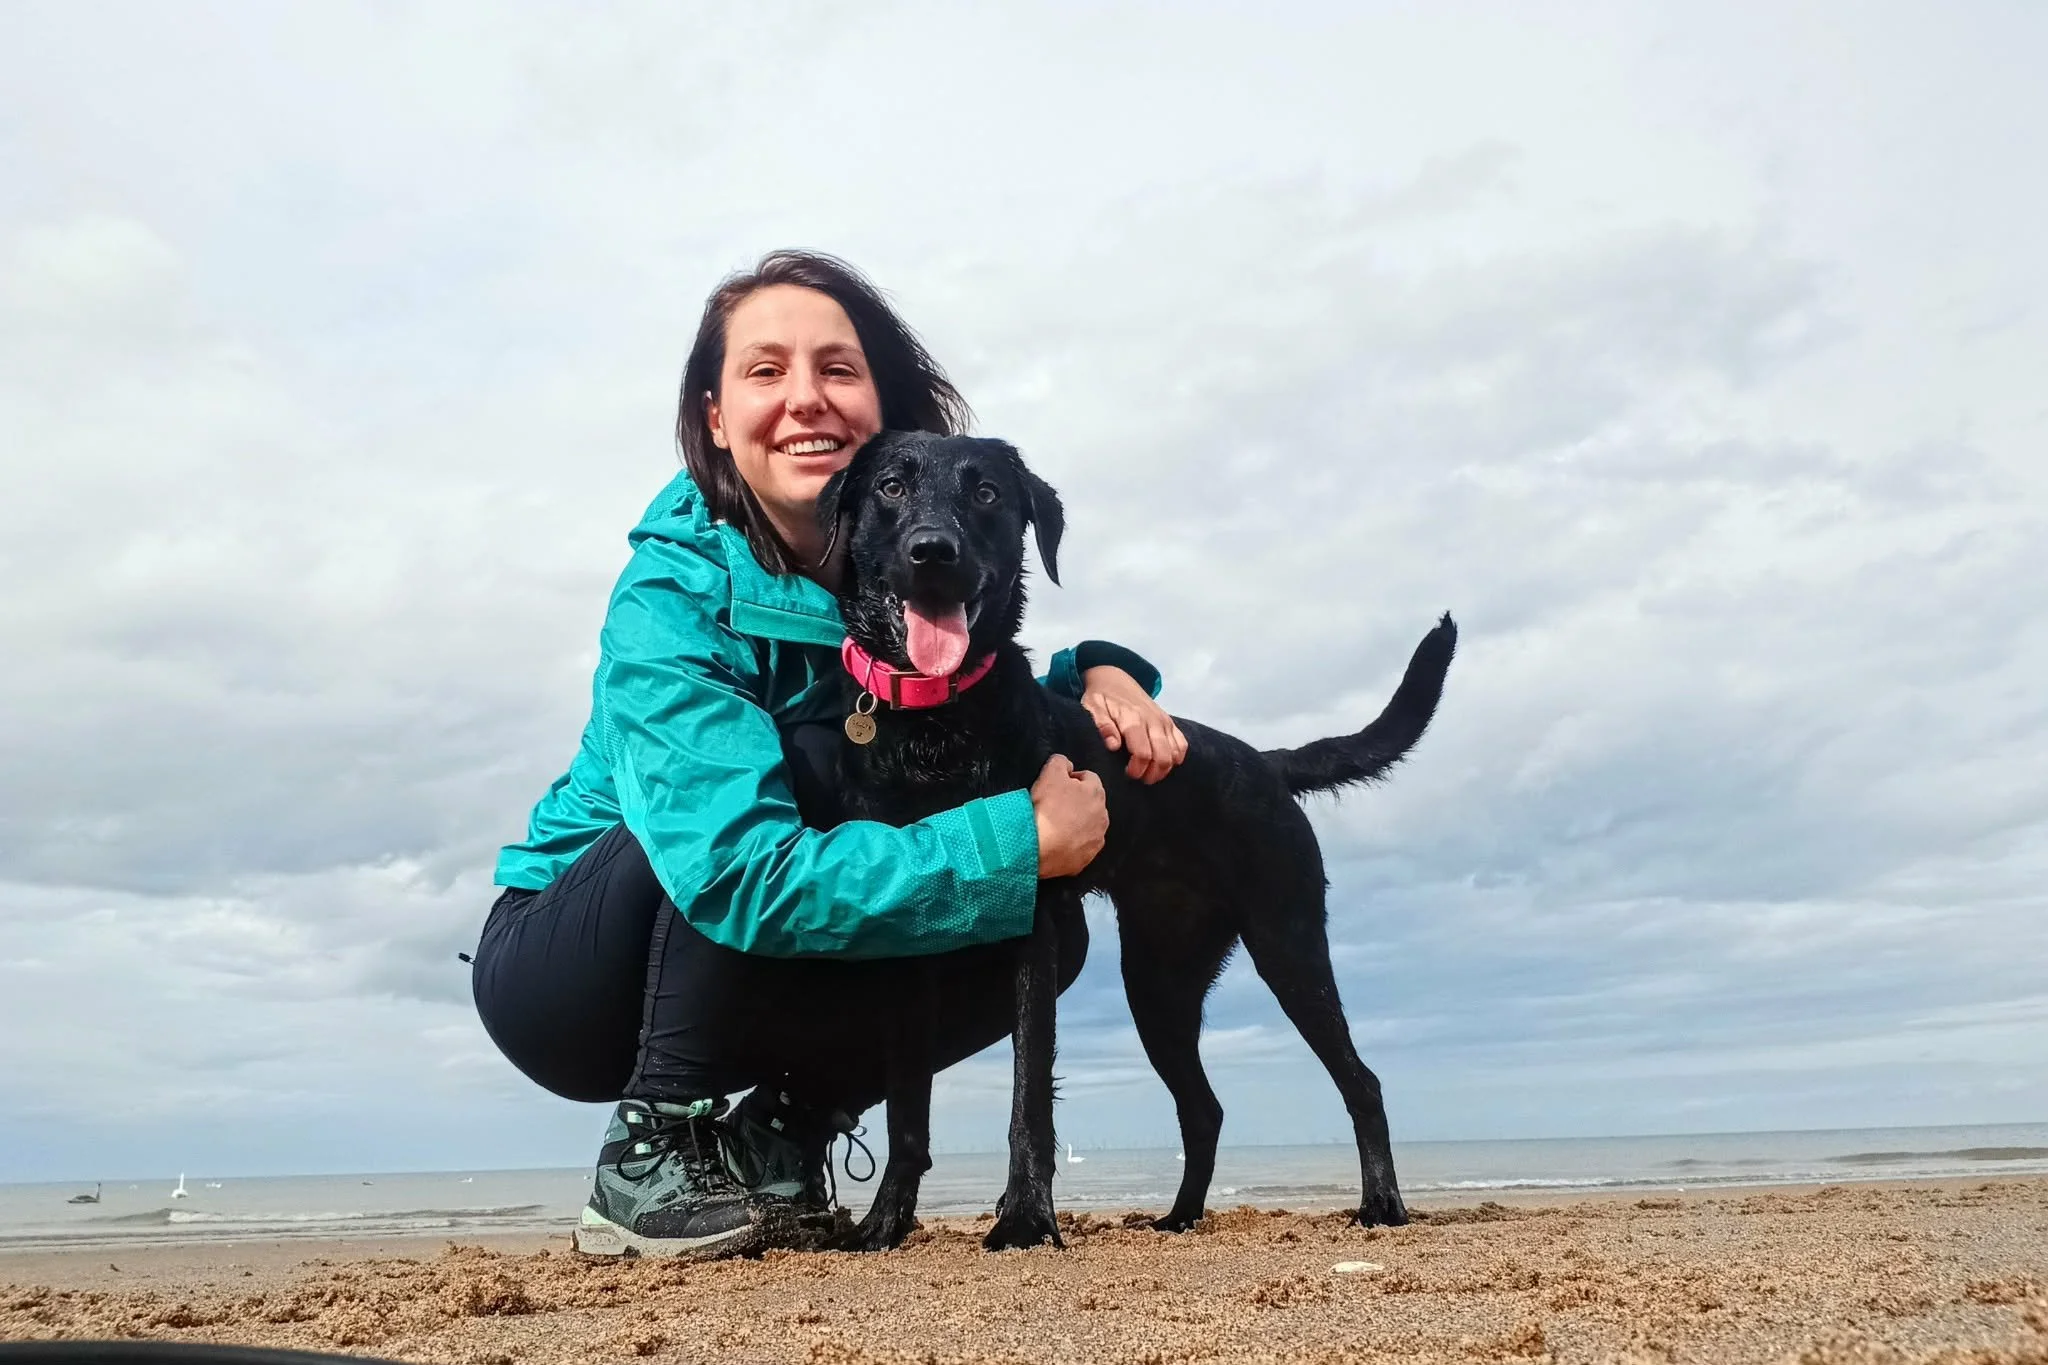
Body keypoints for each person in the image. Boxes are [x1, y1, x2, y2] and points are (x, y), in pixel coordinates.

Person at [473, 250, 1189, 1260]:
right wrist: (1015, 837)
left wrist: (1096, 674)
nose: (804, 397)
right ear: (715, 416)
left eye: (837, 370)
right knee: (816, 763)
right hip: (573, 970)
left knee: (1040, 931)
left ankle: (777, 1138)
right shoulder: (671, 597)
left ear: (883, 407)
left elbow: (964, 684)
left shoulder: (904, 568)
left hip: (754, 952)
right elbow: (737, 872)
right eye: (764, 371)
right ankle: (650, 1149)